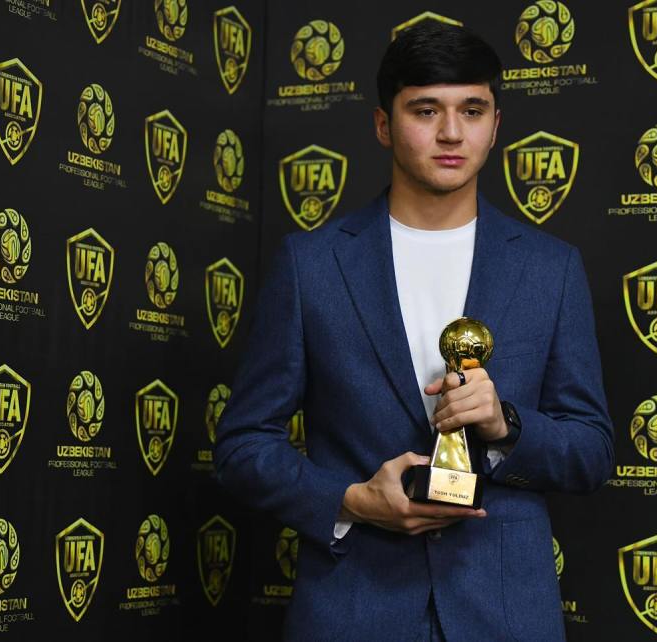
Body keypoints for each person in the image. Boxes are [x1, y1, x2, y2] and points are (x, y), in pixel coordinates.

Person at [214, 22, 613, 642]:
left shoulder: (550, 267)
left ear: (495, 125)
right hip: (352, 611)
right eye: (426, 110)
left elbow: (591, 450)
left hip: (505, 616)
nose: (451, 133)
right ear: (383, 125)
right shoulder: (311, 266)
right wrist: (349, 500)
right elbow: (242, 447)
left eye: (471, 110)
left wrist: (506, 426)